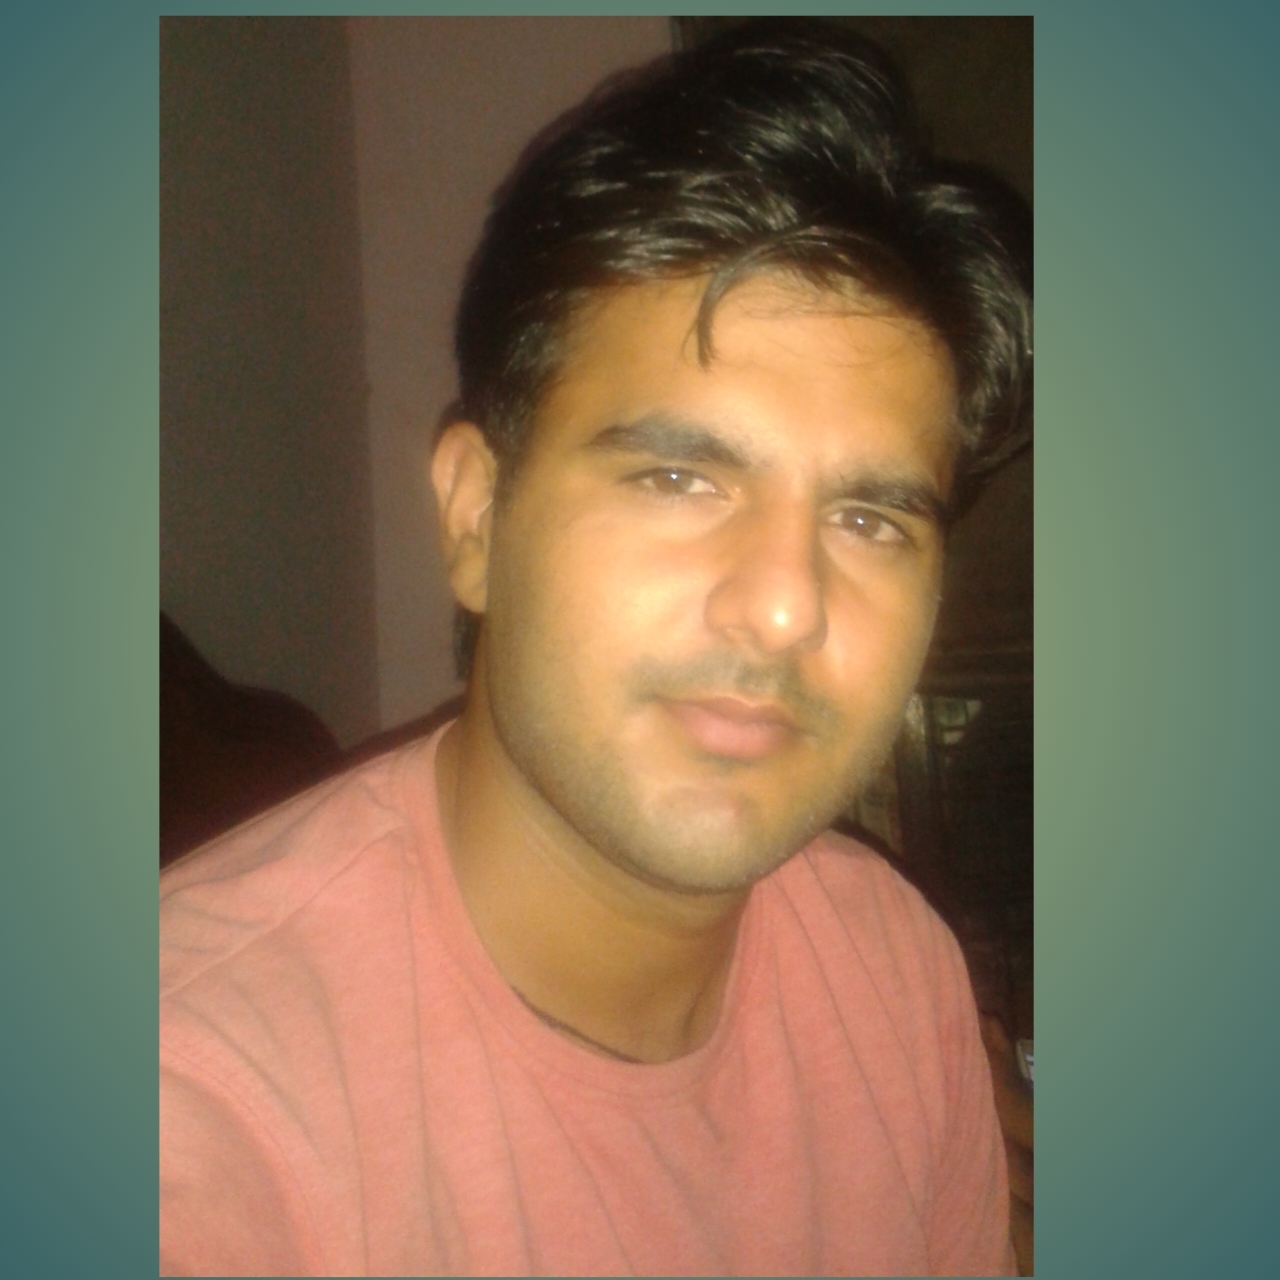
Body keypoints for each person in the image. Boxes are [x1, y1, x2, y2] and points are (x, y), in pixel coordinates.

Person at [160, 20, 1032, 1276]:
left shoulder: (893, 964)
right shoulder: (197, 1108)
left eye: (867, 518)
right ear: (475, 517)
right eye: (676, 477)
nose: (783, 608)